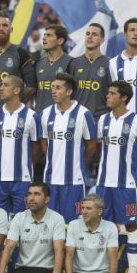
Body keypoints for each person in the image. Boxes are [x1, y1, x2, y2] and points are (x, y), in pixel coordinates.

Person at [95, 81, 137, 273]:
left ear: (124, 98)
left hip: (126, 185)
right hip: (103, 184)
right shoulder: (103, 120)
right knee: (104, 229)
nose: (107, 96)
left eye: (112, 93)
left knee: (131, 227)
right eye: (108, 93)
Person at [40, 73, 97, 223]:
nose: (53, 91)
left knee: (73, 223)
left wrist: (79, 164)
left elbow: (92, 145)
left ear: (69, 92)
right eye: (52, 87)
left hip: (74, 180)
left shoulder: (83, 114)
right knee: (49, 223)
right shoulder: (46, 113)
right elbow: (44, 142)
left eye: (58, 88)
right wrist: (52, 159)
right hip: (51, 179)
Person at [0, 75, 41, 215]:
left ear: (17, 90)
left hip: (22, 179)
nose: (0, 88)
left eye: (5, 85)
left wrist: (26, 165)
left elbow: (37, 147)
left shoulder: (31, 116)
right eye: (1, 84)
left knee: (22, 220)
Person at [67, 22, 110, 120]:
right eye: (87, 34)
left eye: (94, 34)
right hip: (77, 119)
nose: (90, 37)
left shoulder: (110, 64)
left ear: (102, 40)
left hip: (100, 119)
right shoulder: (74, 63)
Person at [34, 24, 72, 113]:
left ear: (60, 40)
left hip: (60, 116)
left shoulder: (71, 62)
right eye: (44, 35)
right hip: (40, 115)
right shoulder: (39, 63)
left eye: (49, 35)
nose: (44, 38)